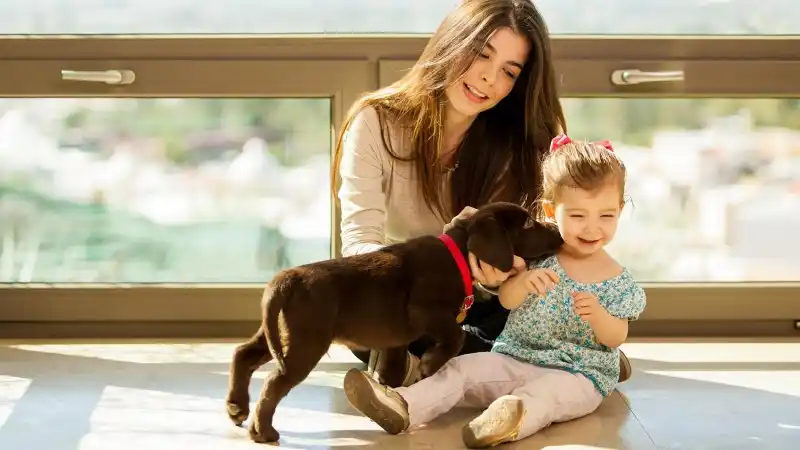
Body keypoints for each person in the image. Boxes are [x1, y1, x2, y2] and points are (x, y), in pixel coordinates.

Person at [332, 0, 632, 385]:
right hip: (408, 295)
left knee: (527, 306)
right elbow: (360, 243)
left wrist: (501, 272)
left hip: (491, 301)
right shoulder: (376, 122)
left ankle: (466, 365)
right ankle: (559, 361)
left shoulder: (518, 143)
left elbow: (547, 244)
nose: (488, 78)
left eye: (508, 71)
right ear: (452, 43)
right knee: (358, 312)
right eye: (480, 54)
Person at [342, 136, 647, 448]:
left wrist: (598, 316)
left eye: (606, 216)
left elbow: (615, 337)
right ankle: (403, 405)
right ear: (551, 211)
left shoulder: (616, 279)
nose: (592, 228)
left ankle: (505, 419)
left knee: (546, 396)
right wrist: (521, 283)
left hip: (580, 376)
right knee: (462, 369)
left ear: (620, 210)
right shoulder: (538, 255)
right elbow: (506, 300)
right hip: (516, 358)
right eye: (578, 216)